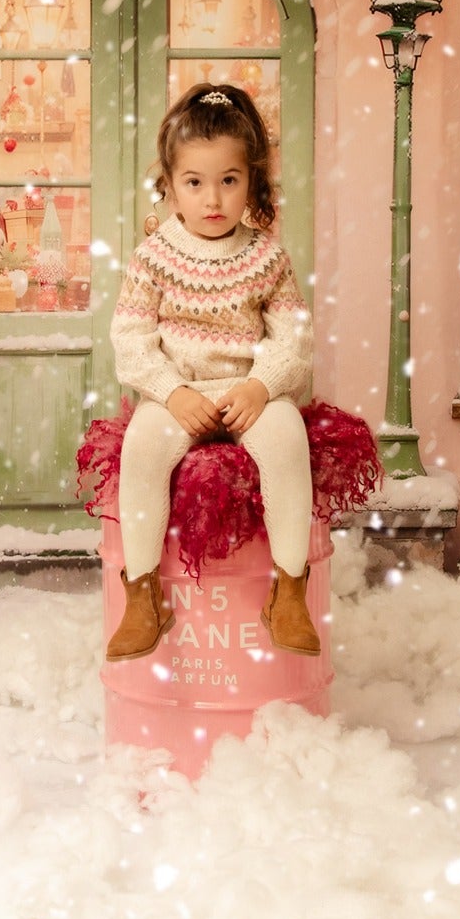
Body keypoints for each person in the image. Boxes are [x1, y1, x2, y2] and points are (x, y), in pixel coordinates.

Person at [105, 83, 317, 661]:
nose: (213, 198)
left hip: (249, 392)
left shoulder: (266, 255)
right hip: (180, 394)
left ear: (251, 181)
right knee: (143, 449)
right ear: (170, 186)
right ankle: (143, 593)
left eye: (229, 179)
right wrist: (171, 394)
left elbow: (293, 338)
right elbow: (129, 339)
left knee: (287, 438)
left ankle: (290, 589)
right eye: (194, 182)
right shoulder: (154, 257)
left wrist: (261, 385)